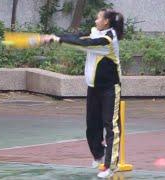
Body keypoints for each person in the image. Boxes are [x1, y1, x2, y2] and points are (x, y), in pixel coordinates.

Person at [43, 8, 124, 178]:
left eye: (98, 18)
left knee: (111, 126)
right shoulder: (95, 32)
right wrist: (54, 36)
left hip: (110, 88)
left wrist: (58, 40)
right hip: (93, 87)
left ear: (106, 22)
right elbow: (78, 37)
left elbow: (84, 44)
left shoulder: (107, 39)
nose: (95, 21)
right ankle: (99, 155)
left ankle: (111, 165)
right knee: (92, 125)